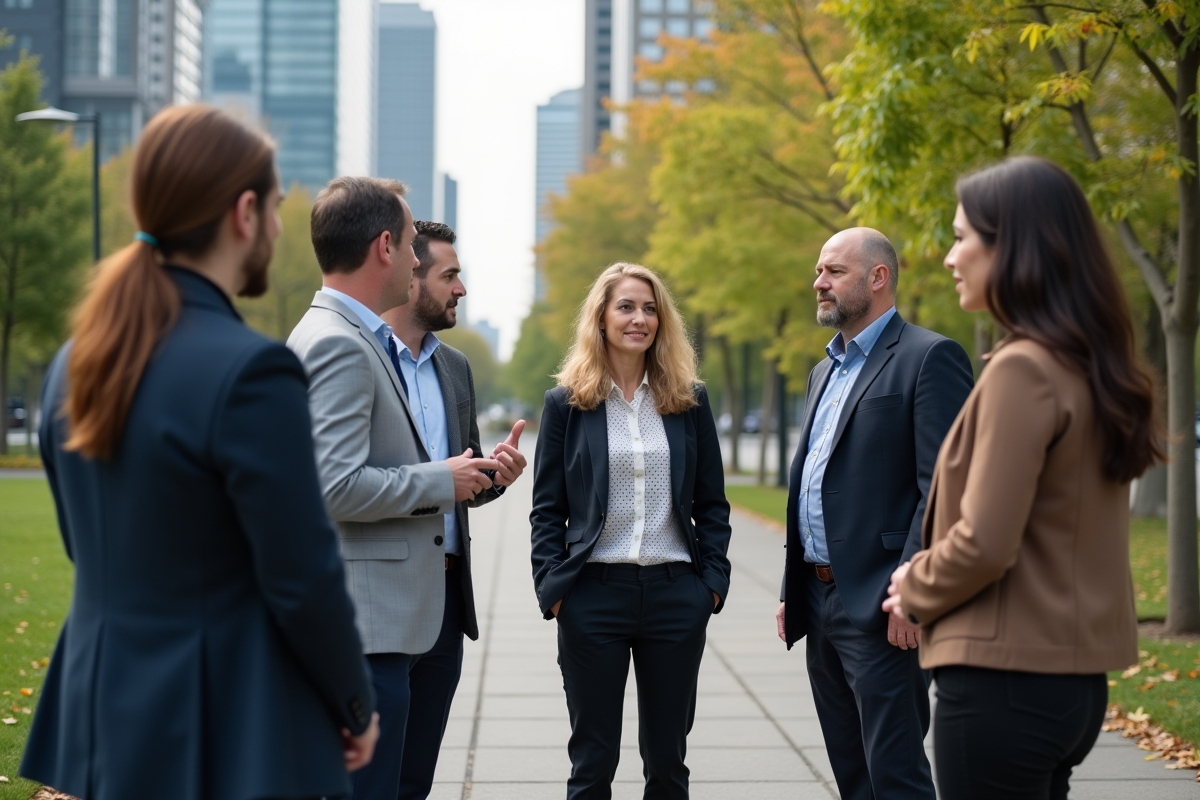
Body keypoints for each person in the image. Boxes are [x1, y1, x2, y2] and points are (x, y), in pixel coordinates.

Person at [20, 104, 379, 800]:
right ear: (244, 212)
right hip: (223, 719)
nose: (279, 229)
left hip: (101, 710)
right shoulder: (252, 370)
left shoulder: (74, 361)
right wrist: (354, 702)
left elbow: (82, 543)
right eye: (275, 209)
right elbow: (301, 577)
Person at [883, 156, 1161, 800]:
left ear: (1012, 247)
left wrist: (914, 584)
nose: (950, 257)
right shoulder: (1086, 365)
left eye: (960, 237)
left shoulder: (1022, 371)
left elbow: (984, 541)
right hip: (1072, 685)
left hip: (1001, 680)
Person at [287, 178, 502, 800]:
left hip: (391, 618)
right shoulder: (340, 344)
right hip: (369, 624)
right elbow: (332, 485)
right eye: (411, 244)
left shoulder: (341, 334)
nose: (415, 259)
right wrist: (444, 479)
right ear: (385, 245)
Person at [776, 228, 974, 800]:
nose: (818, 283)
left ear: (877, 277)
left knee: (896, 776)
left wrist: (914, 593)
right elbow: (815, 479)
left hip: (885, 605)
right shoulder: (824, 370)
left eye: (833, 271)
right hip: (819, 600)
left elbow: (942, 488)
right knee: (853, 775)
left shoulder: (929, 357)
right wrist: (795, 587)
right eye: (819, 271)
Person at [530, 262, 732, 800]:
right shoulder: (567, 404)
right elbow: (547, 510)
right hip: (592, 597)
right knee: (592, 761)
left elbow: (712, 503)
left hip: (675, 595)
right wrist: (553, 590)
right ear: (601, 318)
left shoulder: (688, 400)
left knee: (668, 763)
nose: (638, 318)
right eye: (625, 306)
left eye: (649, 308)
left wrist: (710, 586)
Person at [377, 220, 527, 799]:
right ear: (408, 278)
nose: (460, 288)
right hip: (383, 602)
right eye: (450, 275)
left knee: (416, 779)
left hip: (445, 605)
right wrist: (446, 478)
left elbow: (459, 481)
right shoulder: (362, 357)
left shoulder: (454, 367)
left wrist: (496, 475)